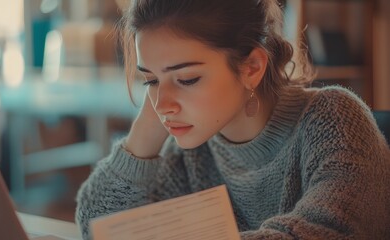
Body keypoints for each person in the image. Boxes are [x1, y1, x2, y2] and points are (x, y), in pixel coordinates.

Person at [75, 0, 390, 239]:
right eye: (151, 81)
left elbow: (327, 231)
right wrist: (144, 134)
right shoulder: (191, 151)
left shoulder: (335, 120)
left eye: (186, 79)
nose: (161, 105)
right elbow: (96, 228)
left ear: (251, 67)